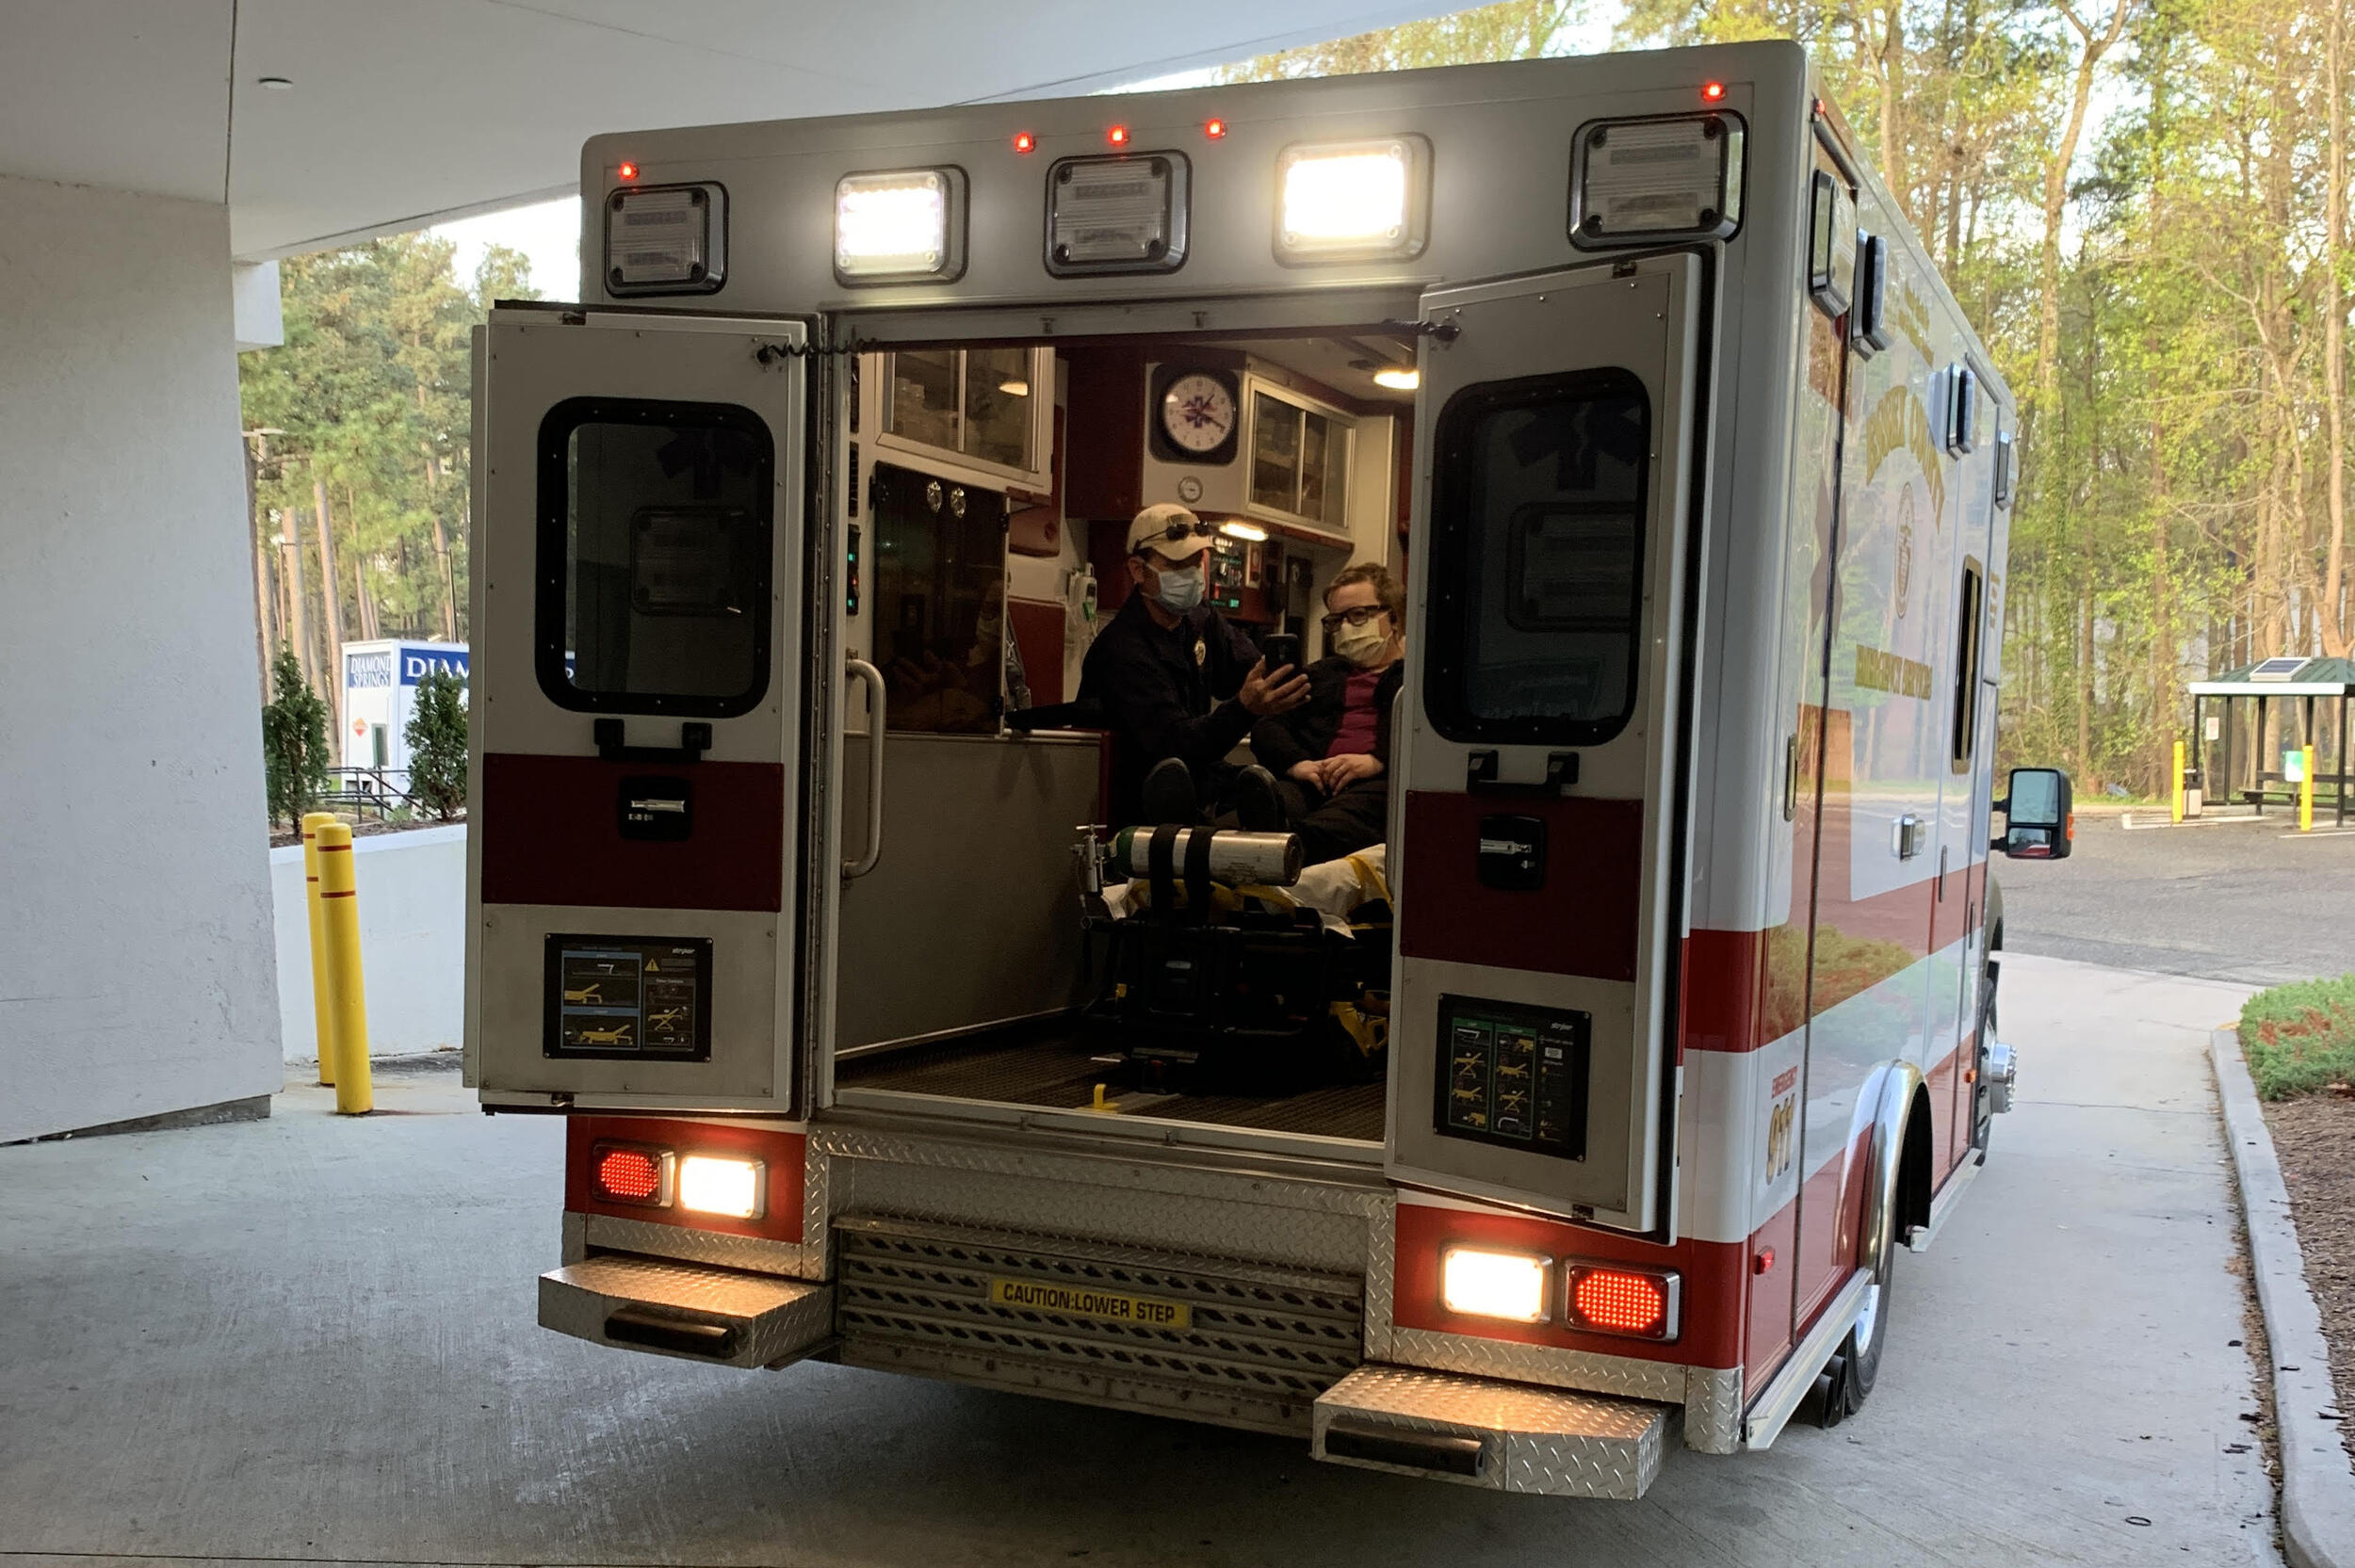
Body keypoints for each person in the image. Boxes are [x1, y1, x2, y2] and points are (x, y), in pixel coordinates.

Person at [1079, 504, 1308, 826]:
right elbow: (1176, 745)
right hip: (1145, 802)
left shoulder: (1200, 619)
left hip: (1200, 782)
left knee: (1292, 797)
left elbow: (1247, 671)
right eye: (1175, 564)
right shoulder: (1122, 652)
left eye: (1195, 561)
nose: (1190, 574)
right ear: (1138, 569)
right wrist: (1245, 707)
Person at [1240, 560, 1406, 865]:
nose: (1345, 628)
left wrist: (1376, 761)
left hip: (1380, 786)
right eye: (1335, 620)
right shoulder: (1320, 675)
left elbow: (1424, 739)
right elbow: (1268, 727)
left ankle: (1283, 848)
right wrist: (1298, 764)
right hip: (1313, 781)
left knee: (1335, 823)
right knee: (1255, 806)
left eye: (1358, 615)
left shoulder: (1418, 680)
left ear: (1393, 617)